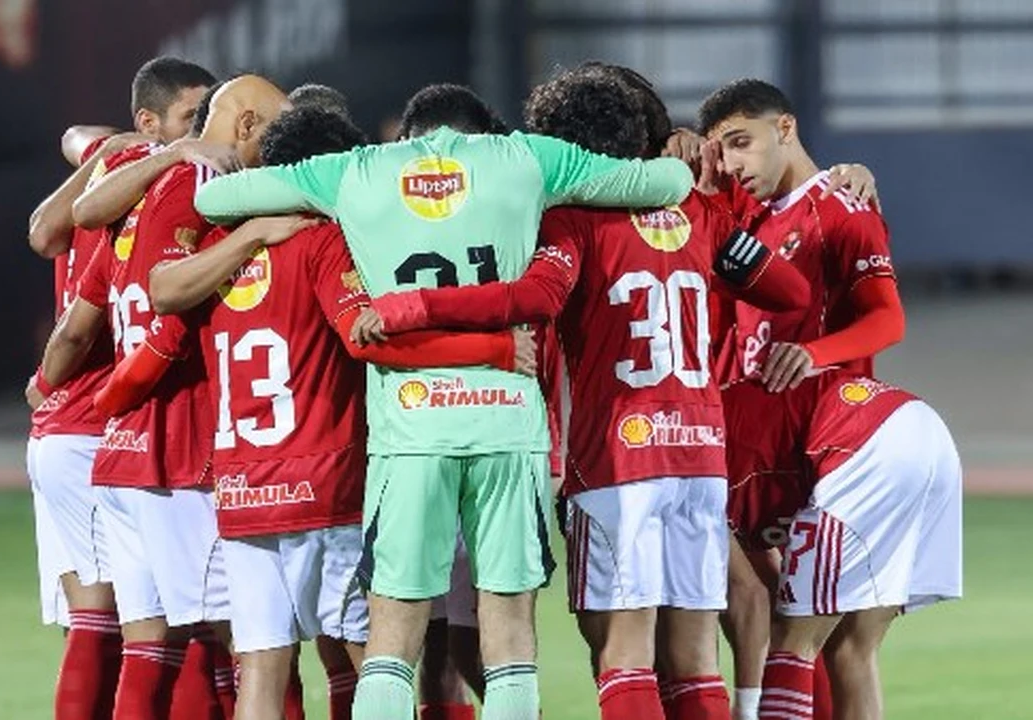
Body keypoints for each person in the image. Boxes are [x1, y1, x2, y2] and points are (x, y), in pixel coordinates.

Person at [194, 82, 695, 720]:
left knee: (392, 642)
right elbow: (669, 184)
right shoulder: (528, 158)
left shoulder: (355, 171)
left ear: (410, 135)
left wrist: (262, 211)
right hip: (506, 427)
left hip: (410, 433)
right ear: (484, 131)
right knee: (507, 636)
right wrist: (678, 148)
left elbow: (213, 198)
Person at [350, 70, 808, 720]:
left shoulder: (570, 221)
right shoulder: (697, 210)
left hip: (620, 459)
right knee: (695, 660)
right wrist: (718, 219)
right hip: (700, 458)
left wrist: (417, 304)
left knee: (623, 655)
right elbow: (790, 291)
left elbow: (535, 296)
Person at [100, 103, 536, 720]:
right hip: (326, 489)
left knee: (261, 670)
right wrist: (493, 349)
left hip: (243, 492)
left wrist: (94, 401)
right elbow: (365, 338)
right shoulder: (323, 242)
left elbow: (157, 321)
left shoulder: (220, 247)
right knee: (375, 657)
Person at [32, 74, 292, 720]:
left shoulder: (129, 193)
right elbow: (166, 309)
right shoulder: (210, 189)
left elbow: (74, 218)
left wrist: (56, 387)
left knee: (150, 644)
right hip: (173, 442)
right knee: (255, 643)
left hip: (120, 444)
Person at [697, 78, 904, 720]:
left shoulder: (842, 207)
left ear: (784, 128)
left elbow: (887, 319)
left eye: (742, 142)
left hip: (825, 448)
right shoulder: (747, 221)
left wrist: (814, 353)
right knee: (776, 617)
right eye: (722, 150)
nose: (733, 163)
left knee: (825, 635)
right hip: (756, 450)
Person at [22, 55, 216, 720]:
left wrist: (104, 148)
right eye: (193, 116)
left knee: (125, 625)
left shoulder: (117, 170)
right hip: (102, 421)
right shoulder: (172, 186)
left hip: (80, 428)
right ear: (151, 123)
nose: (203, 128)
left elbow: (67, 159)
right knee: (179, 625)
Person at [723, 373, 962, 720]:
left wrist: (746, 706)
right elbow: (764, 589)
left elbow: (749, 594)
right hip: (917, 424)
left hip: (854, 441)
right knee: (851, 648)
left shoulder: (686, 475)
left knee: (793, 642)